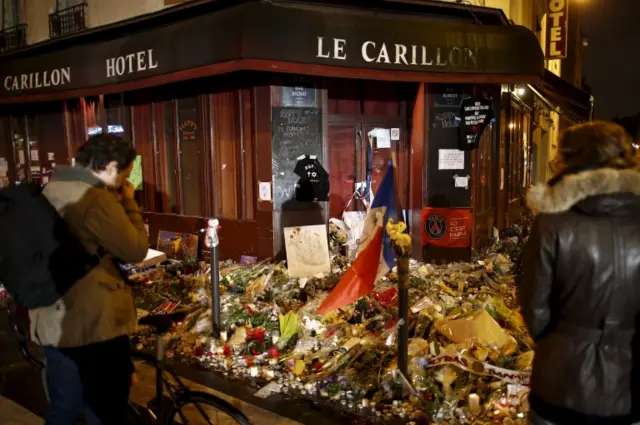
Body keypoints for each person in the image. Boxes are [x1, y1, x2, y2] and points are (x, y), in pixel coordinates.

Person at [520, 121, 640, 425]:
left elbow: (535, 311)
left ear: (571, 161)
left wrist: (564, 341)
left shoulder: (552, 223)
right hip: (627, 386)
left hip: (560, 381)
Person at [29, 134, 149, 425]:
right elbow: (135, 249)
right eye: (123, 173)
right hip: (91, 325)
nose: (122, 180)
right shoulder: (93, 197)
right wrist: (129, 202)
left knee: (65, 406)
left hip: (52, 320)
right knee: (104, 408)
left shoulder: (52, 189)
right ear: (109, 166)